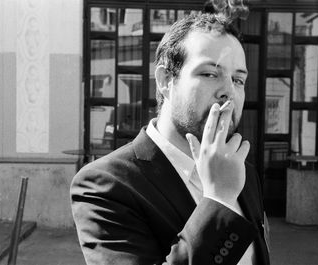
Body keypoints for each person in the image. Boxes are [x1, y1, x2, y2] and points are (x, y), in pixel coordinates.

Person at [70, 13, 270, 265]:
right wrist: (219, 199)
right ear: (165, 80)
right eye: (210, 74)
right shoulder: (105, 185)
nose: (229, 92)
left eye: (238, 80)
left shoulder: (243, 172)